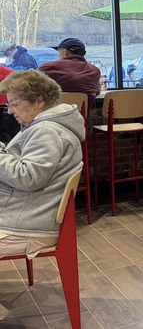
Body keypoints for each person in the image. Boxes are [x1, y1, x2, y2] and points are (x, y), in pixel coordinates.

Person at [0, 70, 85, 320]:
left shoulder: (47, 131)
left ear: (38, 100)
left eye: (14, 103)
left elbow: (29, 177)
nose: (10, 111)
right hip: (27, 215)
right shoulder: (51, 125)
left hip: (27, 225)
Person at [38, 38, 101, 108]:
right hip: (81, 116)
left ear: (65, 53)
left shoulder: (48, 67)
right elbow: (97, 92)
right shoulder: (94, 70)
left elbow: (34, 89)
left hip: (53, 116)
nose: (58, 56)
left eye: (59, 53)